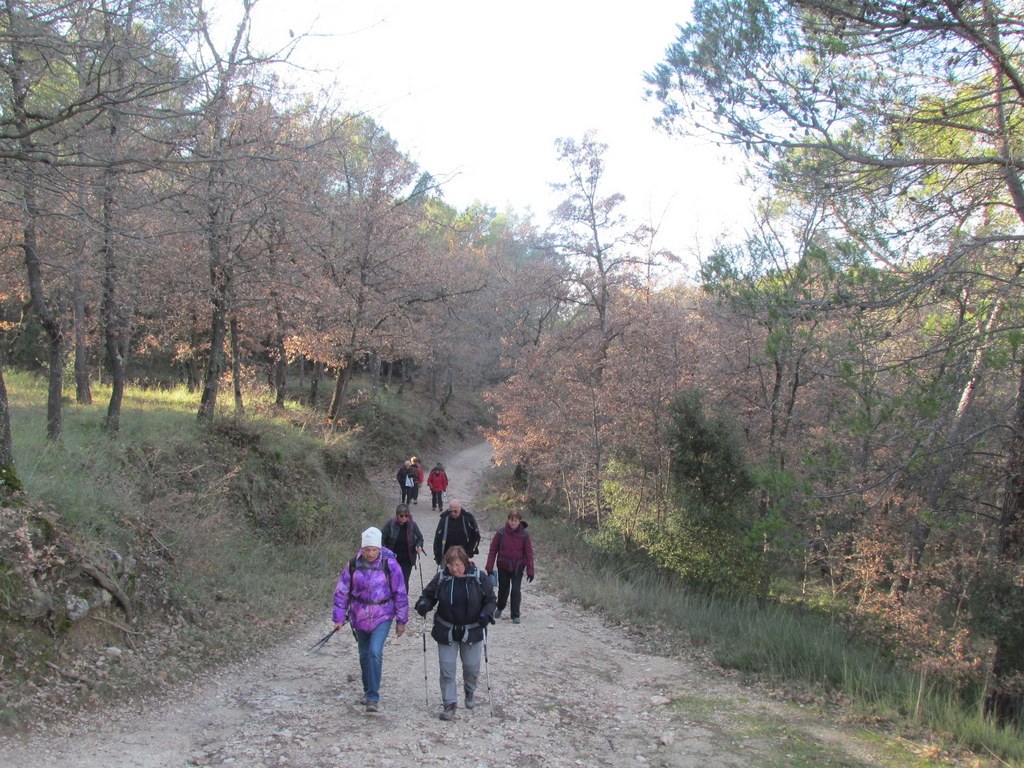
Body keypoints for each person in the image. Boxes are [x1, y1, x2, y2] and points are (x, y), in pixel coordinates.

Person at [332, 527, 409, 713]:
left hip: (383, 613)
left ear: (379, 549)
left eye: (374, 550)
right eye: (367, 550)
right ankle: (367, 691)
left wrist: (401, 619)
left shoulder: (390, 565)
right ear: (362, 549)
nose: (371, 554)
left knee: (375, 651)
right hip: (359, 614)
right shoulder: (353, 565)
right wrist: (339, 617)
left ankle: (373, 696)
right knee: (364, 654)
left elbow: (400, 592)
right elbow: (342, 591)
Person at [415, 545, 496, 720]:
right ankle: (449, 703)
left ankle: (469, 690)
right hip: (447, 630)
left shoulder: (478, 577)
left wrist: (486, 614)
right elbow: (428, 595)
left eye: (458, 565)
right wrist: (424, 604)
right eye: (451, 565)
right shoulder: (442, 577)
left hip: (472, 630)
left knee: (472, 667)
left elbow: (490, 600)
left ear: (465, 563)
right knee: (447, 669)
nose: (454, 569)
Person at [485, 510, 535, 625]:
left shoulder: (524, 534)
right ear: (508, 520)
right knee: (503, 589)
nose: (513, 523)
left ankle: (515, 615)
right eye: (511, 520)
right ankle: (500, 607)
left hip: (518, 566)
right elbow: (493, 550)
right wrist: (489, 567)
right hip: (503, 565)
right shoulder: (501, 533)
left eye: (516, 521)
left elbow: (529, 553)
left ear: (519, 521)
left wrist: (530, 570)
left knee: (516, 590)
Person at [381, 503, 425, 590]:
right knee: (391, 580)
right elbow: (382, 537)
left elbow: (420, 538)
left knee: (404, 581)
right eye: (401, 516)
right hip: (392, 559)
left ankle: (403, 601)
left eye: (406, 515)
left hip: (407, 559)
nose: (404, 518)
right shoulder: (390, 525)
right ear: (397, 515)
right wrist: (383, 551)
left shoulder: (412, 525)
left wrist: (419, 546)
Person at [432, 500, 481, 565]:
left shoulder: (468, 518)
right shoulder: (444, 519)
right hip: (447, 553)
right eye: (451, 511)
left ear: (460, 509)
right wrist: (438, 556)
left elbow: (476, 536)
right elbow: (438, 538)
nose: (453, 513)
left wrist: (470, 552)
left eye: (455, 511)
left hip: (463, 553)